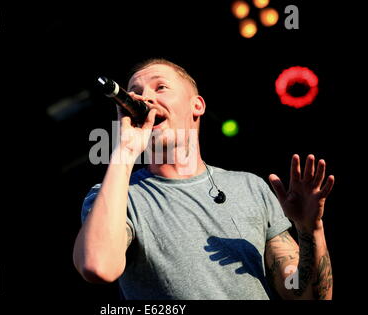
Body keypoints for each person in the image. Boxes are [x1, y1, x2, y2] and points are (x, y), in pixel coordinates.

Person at [73, 58, 334, 300]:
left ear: (196, 105)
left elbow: (304, 294)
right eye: (136, 92)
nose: (145, 98)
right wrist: (126, 151)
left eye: (160, 87)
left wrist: (310, 229)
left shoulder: (250, 187)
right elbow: (98, 266)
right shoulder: (115, 197)